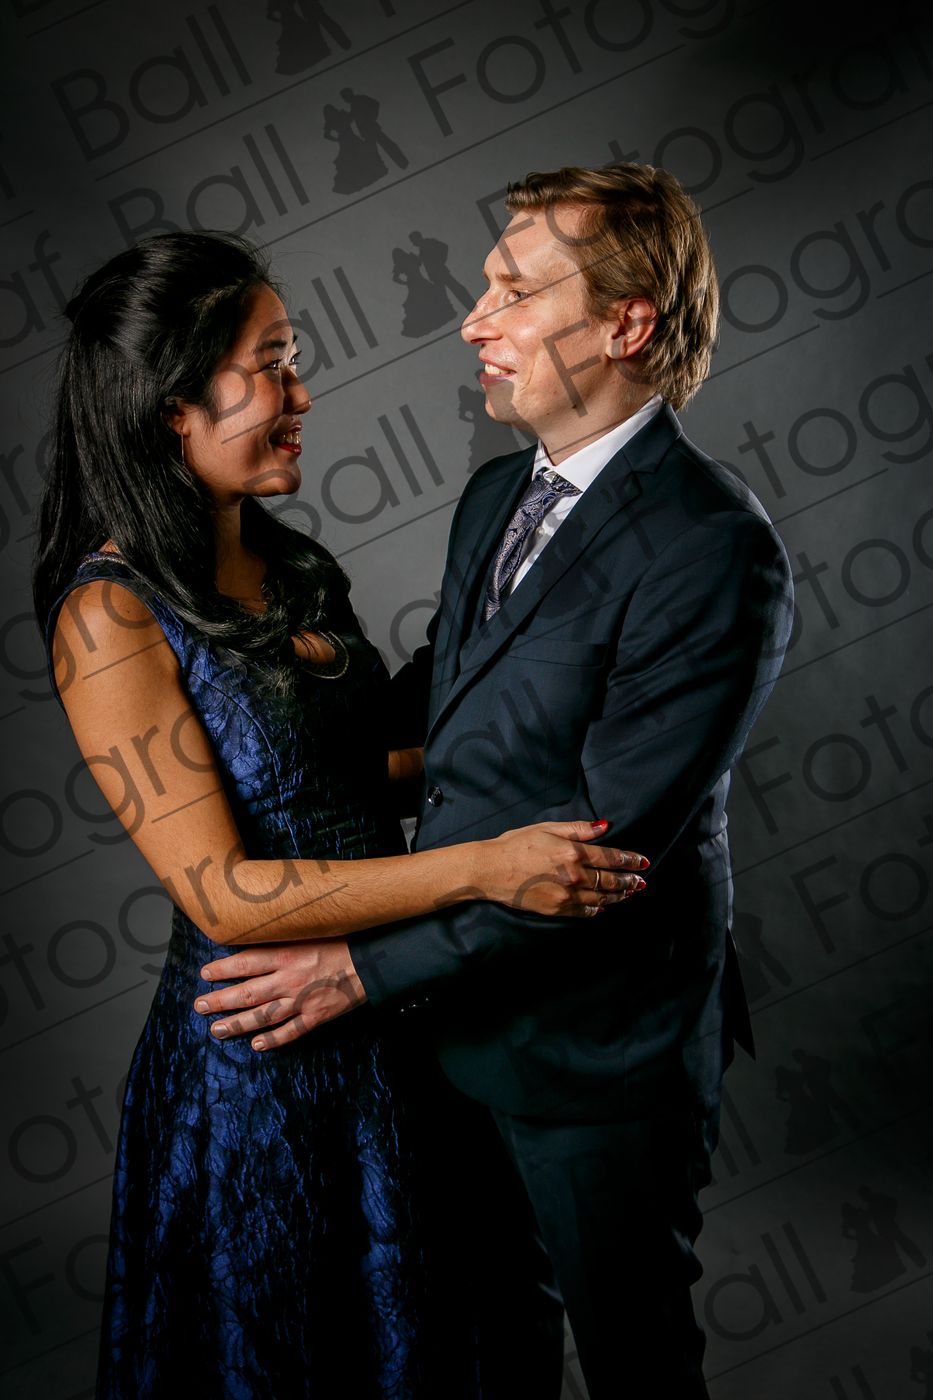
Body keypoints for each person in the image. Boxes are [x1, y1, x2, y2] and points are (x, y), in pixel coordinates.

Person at [195, 163, 795, 1397]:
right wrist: (225, 681)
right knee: (480, 1355)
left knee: (636, 1361)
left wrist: (359, 968)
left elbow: (601, 856)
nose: (475, 321)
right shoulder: (493, 497)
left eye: (516, 292)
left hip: (599, 1053)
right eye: (485, 287)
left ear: (627, 324)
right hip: (454, 1034)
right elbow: (439, 712)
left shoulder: (714, 548)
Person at [32, 229, 649, 1398]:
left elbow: (357, 778)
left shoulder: (295, 565)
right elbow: (224, 893)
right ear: (172, 406)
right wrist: (487, 864)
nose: (302, 395)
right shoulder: (108, 616)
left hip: (395, 1021)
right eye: (271, 366)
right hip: (263, 1068)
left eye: (295, 358)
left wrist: (556, 722)